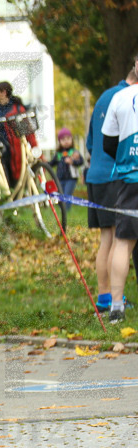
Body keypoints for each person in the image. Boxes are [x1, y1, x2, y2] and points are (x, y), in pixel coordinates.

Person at [86, 67, 138, 311]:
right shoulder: (125, 98)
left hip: (95, 175)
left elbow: (90, 142)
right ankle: (111, 299)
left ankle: (105, 297)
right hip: (113, 177)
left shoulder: (105, 97)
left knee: (108, 238)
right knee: (119, 239)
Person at [101, 54, 138, 324]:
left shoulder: (120, 98)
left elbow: (108, 144)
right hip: (128, 178)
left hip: (129, 177)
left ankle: (116, 307)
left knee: (123, 243)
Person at [0, 81, 40, 189]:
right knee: (3, 175)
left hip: (17, 149)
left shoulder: (17, 109)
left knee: (21, 173)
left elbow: (29, 133)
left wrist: (35, 147)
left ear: (3, 93)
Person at [53, 127, 85, 219]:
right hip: (60, 178)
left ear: (71, 140)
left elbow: (81, 162)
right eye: (63, 139)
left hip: (71, 178)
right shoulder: (58, 154)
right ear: (60, 141)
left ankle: (66, 214)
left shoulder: (74, 152)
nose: (66, 141)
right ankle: (61, 212)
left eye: (68, 139)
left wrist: (73, 162)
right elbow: (52, 163)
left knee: (67, 195)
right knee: (60, 195)